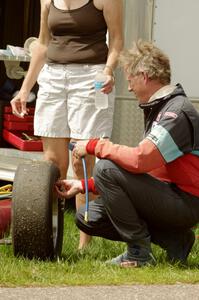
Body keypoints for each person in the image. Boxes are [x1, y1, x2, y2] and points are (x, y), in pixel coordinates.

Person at [56, 40, 199, 267]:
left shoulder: (175, 111)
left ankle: (138, 252)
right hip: (172, 197)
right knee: (89, 216)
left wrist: (95, 146)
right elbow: (149, 171)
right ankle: (175, 240)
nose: (129, 87)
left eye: (130, 79)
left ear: (144, 76)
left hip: (187, 204)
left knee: (104, 165)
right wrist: (84, 186)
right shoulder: (161, 107)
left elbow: (140, 160)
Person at [10, 0, 123, 249]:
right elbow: (42, 44)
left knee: (81, 161)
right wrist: (25, 89)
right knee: (52, 163)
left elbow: (116, 41)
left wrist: (108, 70)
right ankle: (46, 236)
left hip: (90, 77)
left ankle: (85, 242)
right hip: (52, 77)